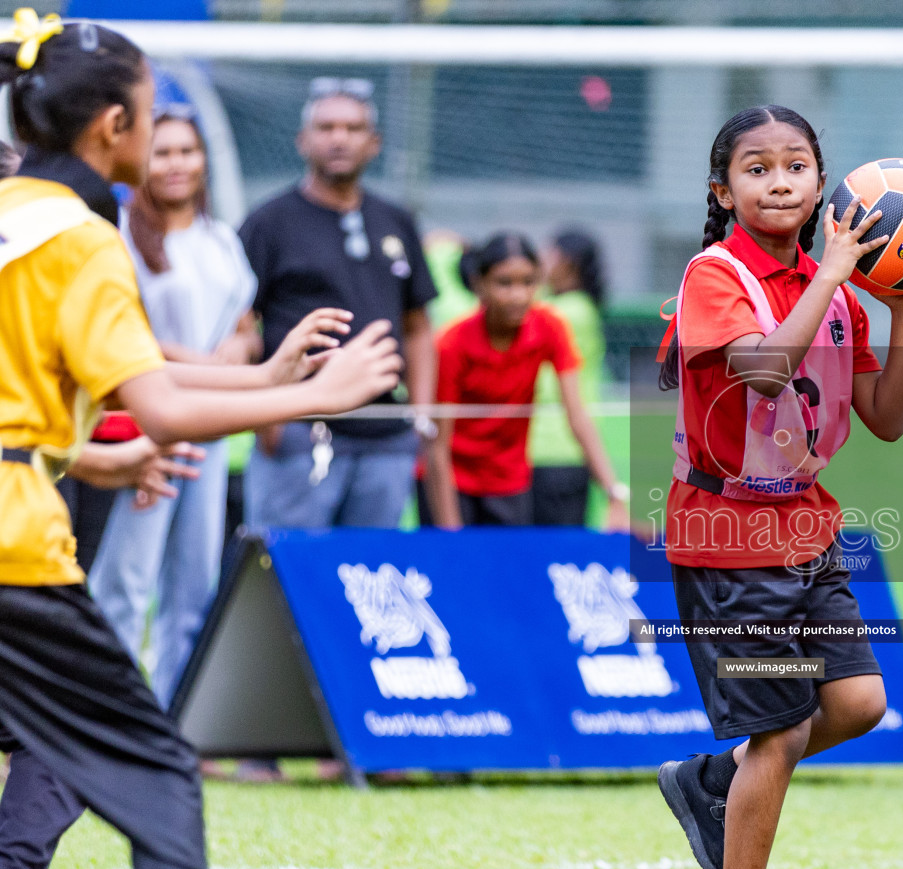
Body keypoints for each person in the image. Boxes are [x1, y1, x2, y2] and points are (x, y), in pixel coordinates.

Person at [0, 11, 402, 869]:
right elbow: (165, 402)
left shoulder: (13, 219)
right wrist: (313, 395)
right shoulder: (81, 238)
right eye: (150, 109)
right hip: (14, 542)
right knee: (156, 762)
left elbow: (108, 378)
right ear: (112, 126)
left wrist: (255, 373)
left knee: (60, 735)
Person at [653, 104, 903, 869]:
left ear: (820, 181)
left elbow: (885, 421)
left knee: (857, 705)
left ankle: (709, 782)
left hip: (809, 521)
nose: (779, 183)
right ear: (722, 188)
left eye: (796, 167)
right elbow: (764, 366)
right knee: (779, 730)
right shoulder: (714, 272)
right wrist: (834, 275)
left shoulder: (839, 290)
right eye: (758, 168)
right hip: (727, 528)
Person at [89, 104, 259, 708]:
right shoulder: (120, 240)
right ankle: (101, 714)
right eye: (162, 151)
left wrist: (235, 353)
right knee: (126, 580)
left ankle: (173, 718)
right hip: (143, 424)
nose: (177, 163)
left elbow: (245, 325)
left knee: (195, 582)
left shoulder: (220, 239)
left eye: (188, 150)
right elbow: (122, 332)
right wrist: (201, 366)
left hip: (209, 429)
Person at [231, 76, 438, 535]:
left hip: (386, 439)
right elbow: (241, 325)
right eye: (326, 127)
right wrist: (266, 420)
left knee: (369, 581)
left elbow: (419, 327)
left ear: (375, 143)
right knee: (284, 577)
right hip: (300, 435)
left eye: (352, 127)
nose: (338, 138)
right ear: (303, 140)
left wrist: (420, 418)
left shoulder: (396, 221)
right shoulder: (269, 223)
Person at [422, 232, 630, 528]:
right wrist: (450, 533)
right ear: (479, 284)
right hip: (452, 481)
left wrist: (614, 493)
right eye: (504, 283)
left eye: (528, 282)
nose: (518, 295)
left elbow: (578, 416)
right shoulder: (452, 343)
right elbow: (437, 445)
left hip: (509, 482)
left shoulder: (550, 327)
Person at [529, 228, 610, 525]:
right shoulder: (569, 308)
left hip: (558, 449)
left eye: (548, 253)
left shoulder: (570, 311)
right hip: (548, 451)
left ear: (568, 262)